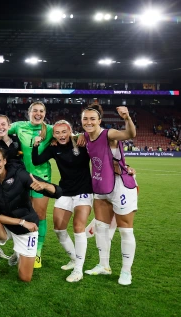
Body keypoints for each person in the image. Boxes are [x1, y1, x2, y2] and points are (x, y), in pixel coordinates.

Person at [0, 102, 54, 268]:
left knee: (40, 215)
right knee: (20, 213)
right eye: (35, 110)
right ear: (29, 112)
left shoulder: (49, 129)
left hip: (40, 176)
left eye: (41, 111)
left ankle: (37, 253)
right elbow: (0, 126)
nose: (38, 113)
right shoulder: (19, 127)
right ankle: (18, 250)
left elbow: (66, 133)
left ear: (45, 113)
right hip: (19, 180)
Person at [0, 147, 63, 293]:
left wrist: (45, 185)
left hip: (28, 227)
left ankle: (18, 253)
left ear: (5, 161)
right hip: (9, 224)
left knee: (25, 277)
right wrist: (20, 222)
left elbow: (58, 192)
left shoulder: (20, 175)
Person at [82, 104, 138, 285]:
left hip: (120, 185)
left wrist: (127, 118)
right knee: (101, 227)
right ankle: (104, 265)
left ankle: (126, 271)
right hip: (100, 185)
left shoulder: (109, 134)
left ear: (99, 121)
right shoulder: (84, 137)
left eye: (92, 119)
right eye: (85, 119)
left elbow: (130, 134)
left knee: (125, 230)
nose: (89, 122)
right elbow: (64, 135)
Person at [32, 120, 92, 282]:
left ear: (70, 131)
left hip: (84, 191)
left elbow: (100, 146)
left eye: (64, 132)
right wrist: (36, 145)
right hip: (65, 191)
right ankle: (74, 259)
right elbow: (37, 161)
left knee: (78, 227)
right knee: (59, 229)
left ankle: (78, 270)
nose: (60, 135)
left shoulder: (81, 143)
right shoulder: (54, 148)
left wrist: (84, 135)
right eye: (57, 133)